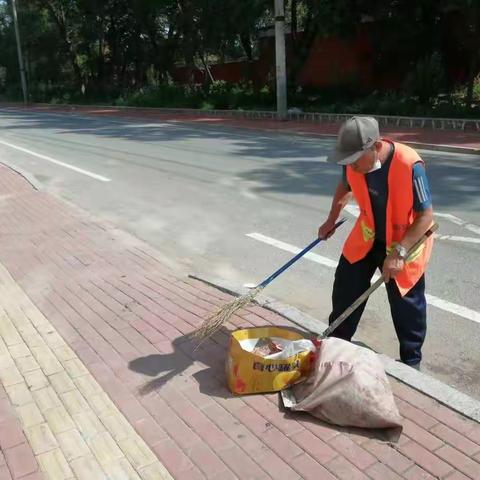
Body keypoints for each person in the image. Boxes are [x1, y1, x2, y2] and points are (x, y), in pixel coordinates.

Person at [318, 116, 434, 369]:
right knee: (346, 289)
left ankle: (411, 362)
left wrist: (400, 252)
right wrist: (331, 220)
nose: (352, 166)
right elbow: (344, 186)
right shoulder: (352, 160)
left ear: (376, 145)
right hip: (368, 236)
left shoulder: (409, 164)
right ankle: (337, 344)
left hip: (404, 243)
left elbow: (426, 216)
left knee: (406, 304)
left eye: (356, 160)